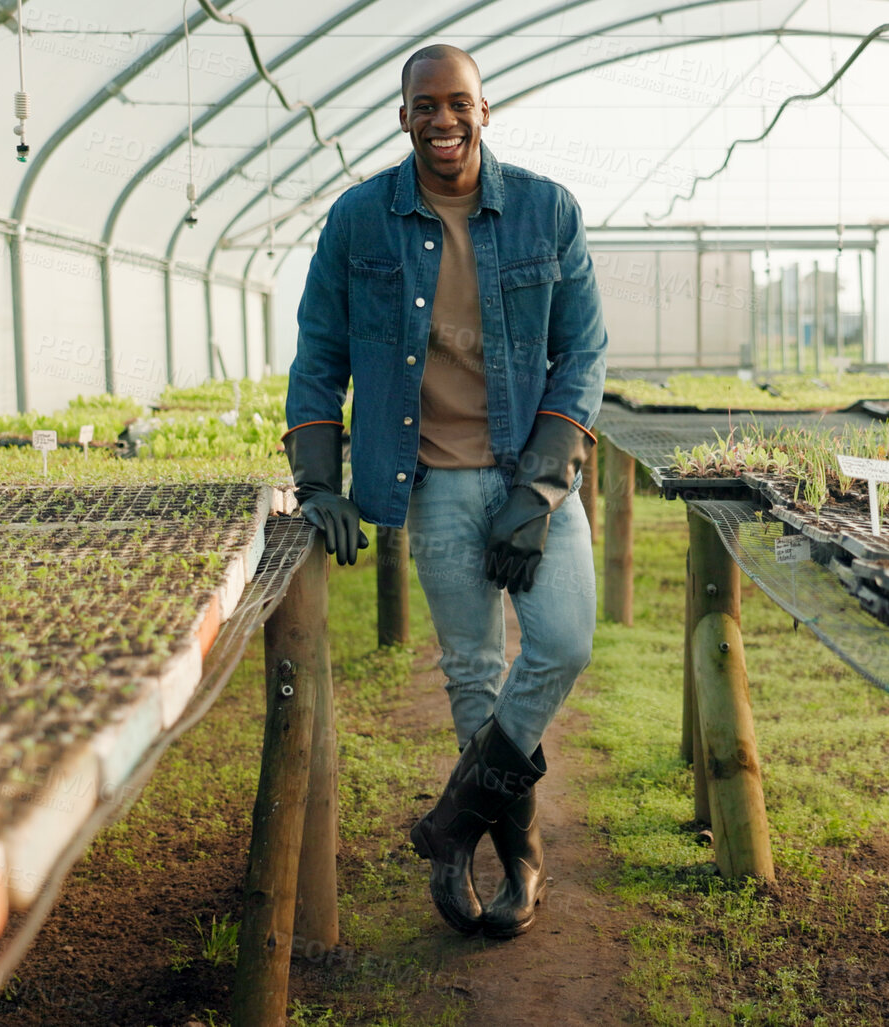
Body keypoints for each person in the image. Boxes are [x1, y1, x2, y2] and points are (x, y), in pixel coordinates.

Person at [281, 43, 607, 939]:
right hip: (430, 478)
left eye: (457, 102)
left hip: (529, 474)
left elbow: (582, 357)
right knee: (472, 670)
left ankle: (452, 824)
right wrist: (317, 479)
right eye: (424, 105)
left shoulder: (546, 210)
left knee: (562, 643)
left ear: (484, 110)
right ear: (403, 116)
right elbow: (320, 353)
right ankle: (515, 859)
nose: (442, 119)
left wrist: (540, 488)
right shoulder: (360, 220)